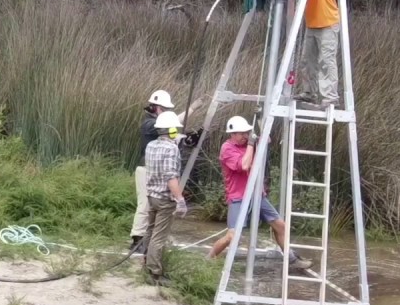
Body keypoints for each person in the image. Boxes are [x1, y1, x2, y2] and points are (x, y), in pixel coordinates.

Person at [208, 116, 312, 270]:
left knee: (280, 226)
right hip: (239, 197)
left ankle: (291, 259)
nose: (245, 136)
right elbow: (244, 165)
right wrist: (251, 144)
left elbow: (267, 139)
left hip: (257, 195)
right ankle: (209, 259)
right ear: (233, 134)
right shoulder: (227, 148)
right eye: (242, 133)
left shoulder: (249, 143)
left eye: (247, 132)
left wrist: (262, 123)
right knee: (232, 236)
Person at [131, 89, 200, 254]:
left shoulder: (158, 124)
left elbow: (170, 132)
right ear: (155, 107)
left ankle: (148, 238)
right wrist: (191, 109)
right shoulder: (149, 124)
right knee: (145, 204)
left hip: (155, 170)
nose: (165, 112)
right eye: (164, 108)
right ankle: (137, 238)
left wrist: (187, 138)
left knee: (152, 204)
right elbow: (168, 127)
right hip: (146, 169)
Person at [279, 0, 340, 108]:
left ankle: (330, 97)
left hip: (328, 23)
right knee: (307, 61)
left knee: (326, 61)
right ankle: (309, 92)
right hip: (312, 25)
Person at [142, 111, 188, 285]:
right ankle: (155, 273)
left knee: (149, 231)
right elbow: (170, 176)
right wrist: (180, 200)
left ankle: (145, 264)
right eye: (175, 129)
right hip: (164, 198)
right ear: (171, 130)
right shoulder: (171, 149)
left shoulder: (151, 146)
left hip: (151, 195)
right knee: (159, 237)